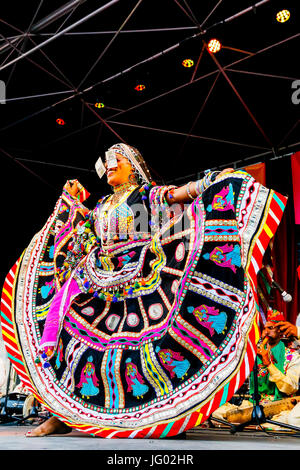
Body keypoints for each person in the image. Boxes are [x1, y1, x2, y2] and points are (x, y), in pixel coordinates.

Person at [0, 143, 287, 438]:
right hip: (98, 281)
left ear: (134, 169)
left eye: (118, 160)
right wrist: (71, 202)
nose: (111, 164)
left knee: (149, 349)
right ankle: (63, 416)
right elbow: (81, 231)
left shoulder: (145, 195)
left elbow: (179, 194)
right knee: (69, 341)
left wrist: (211, 181)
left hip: (139, 279)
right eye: (108, 161)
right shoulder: (100, 206)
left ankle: (165, 419)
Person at [212, 309, 300, 426]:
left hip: (280, 406)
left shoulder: (292, 356)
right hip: (254, 405)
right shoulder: (253, 354)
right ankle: (253, 423)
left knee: (289, 421)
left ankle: (250, 424)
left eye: (270, 328)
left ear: (280, 332)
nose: (266, 332)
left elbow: (290, 388)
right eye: (264, 329)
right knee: (217, 413)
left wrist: (269, 364)